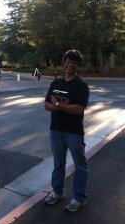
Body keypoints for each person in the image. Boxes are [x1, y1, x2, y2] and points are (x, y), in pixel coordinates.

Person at [44, 49, 90, 212]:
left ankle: (79, 198)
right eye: (68, 62)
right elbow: (46, 106)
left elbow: (78, 109)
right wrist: (63, 106)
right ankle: (58, 192)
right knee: (58, 163)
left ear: (77, 65)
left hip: (73, 132)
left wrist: (58, 104)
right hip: (55, 130)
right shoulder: (56, 83)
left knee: (80, 166)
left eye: (74, 62)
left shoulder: (81, 86)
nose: (70, 65)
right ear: (64, 63)